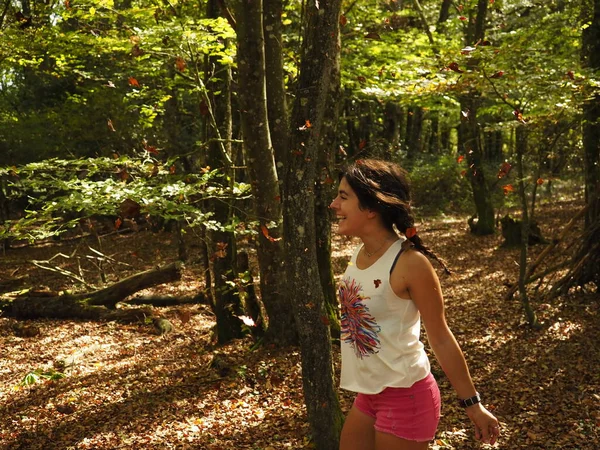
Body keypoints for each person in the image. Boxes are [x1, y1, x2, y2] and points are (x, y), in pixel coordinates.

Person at [329, 159, 500, 450]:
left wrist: (473, 405)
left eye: (344, 197)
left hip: (406, 395)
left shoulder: (411, 263)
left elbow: (440, 336)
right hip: (368, 395)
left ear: (371, 209)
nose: (334, 204)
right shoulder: (359, 254)